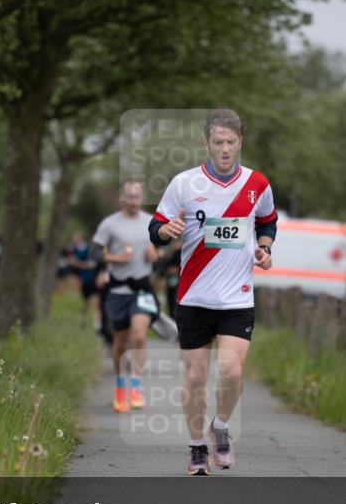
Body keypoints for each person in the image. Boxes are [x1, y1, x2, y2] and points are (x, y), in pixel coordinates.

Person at [149, 108, 276, 475]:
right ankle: (196, 448)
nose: (224, 148)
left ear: (240, 143)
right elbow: (156, 226)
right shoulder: (185, 183)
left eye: (231, 142)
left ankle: (220, 427)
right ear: (206, 143)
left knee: (232, 372)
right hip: (194, 296)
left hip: (237, 297)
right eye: (218, 142)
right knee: (195, 378)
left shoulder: (257, 184)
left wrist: (264, 248)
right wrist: (165, 231)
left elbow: (268, 221)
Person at [91, 180, 159, 413]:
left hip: (142, 290)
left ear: (142, 197)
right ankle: (121, 387)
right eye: (129, 196)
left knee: (139, 335)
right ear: (122, 197)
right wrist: (116, 258)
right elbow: (94, 252)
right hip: (118, 291)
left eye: (137, 196)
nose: (133, 200)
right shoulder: (110, 224)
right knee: (120, 342)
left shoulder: (150, 221)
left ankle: (136, 388)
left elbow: (160, 250)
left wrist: (155, 255)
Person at [67, 232, 100, 329]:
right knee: (85, 302)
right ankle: (83, 318)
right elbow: (73, 262)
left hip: (96, 281)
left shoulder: (100, 252)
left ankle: (97, 324)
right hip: (86, 281)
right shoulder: (84, 251)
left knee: (96, 302)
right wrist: (82, 264)